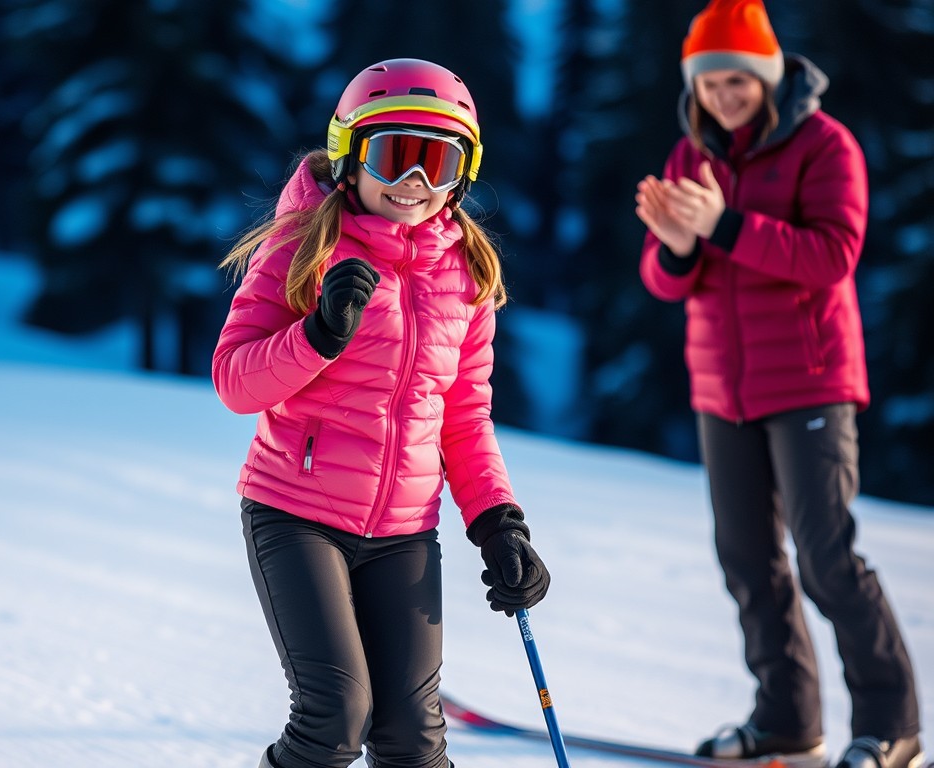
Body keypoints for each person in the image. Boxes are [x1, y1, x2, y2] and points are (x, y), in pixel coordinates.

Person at [212, 58, 550, 768]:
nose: (415, 181)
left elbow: (465, 418)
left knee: (413, 739)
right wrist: (316, 337)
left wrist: (498, 523)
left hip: (403, 532)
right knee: (334, 718)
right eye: (395, 156)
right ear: (349, 155)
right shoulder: (303, 248)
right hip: (296, 514)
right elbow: (235, 382)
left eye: (438, 161)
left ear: (464, 172)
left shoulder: (466, 272)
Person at [634, 2, 923, 767]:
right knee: (747, 561)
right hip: (721, 388)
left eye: (737, 80)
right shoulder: (689, 154)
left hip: (810, 381)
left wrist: (724, 225)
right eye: (710, 83)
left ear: (767, 76)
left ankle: (893, 727)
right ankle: (787, 720)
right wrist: (676, 247)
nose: (723, 96)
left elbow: (833, 255)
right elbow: (665, 279)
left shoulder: (825, 145)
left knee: (827, 559)